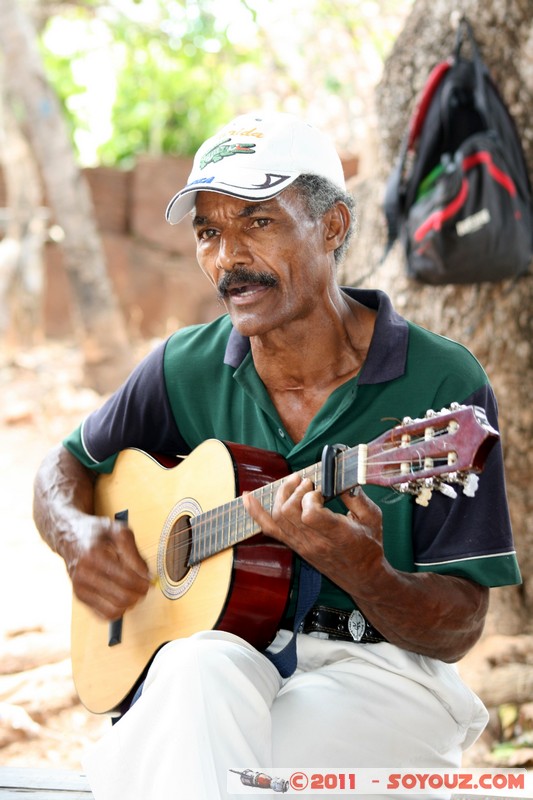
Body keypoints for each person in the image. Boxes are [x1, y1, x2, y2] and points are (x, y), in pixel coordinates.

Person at [33, 111, 520, 800]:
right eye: (208, 231)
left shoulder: (439, 388)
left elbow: (458, 630)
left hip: (380, 676)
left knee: (185, 760)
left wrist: (366, 570)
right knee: (196, 673)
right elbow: (63, 466)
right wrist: (79, 535)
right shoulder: (182, 366)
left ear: (333, 227)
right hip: (218, 668)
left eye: (257, 222)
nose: (228, 256)